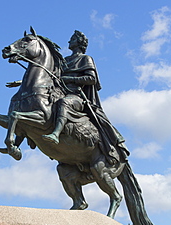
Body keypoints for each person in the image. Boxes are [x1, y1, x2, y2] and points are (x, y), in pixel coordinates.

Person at [42, 30, 129, 164]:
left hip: (76, 96)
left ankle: (56, 133)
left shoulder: (85, 59)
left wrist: (70, 78)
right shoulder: (64, 60)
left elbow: (91, 78)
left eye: (72, 39)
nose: (69, 42)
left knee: (64, 103)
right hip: (59, 92)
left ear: (79, 42)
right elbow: (51, 78)